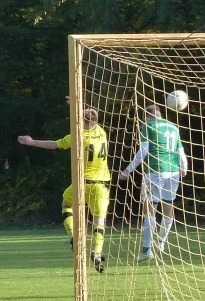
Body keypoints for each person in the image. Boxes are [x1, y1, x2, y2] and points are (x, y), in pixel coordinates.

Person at [18, 99, 109, 273]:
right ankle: (97, 252)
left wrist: (32, 142)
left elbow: (54, 144)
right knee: (99, 220)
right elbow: (89, 118)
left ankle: (74, 236)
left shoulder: (78, 137)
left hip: (83, 183)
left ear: (82, 122)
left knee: (66, 205)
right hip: (102, 184)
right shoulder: (102, 132)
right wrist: (78, 107)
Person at [119, 105, 188, 263]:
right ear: (160, 114)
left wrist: (128, 170)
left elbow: (143, 151)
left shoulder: (148, 125)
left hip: (155, 171)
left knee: (149, 211)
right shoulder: (173, 127)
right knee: (168, 208)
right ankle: (161, 242)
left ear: (147, 116)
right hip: (173, 172)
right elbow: (180, 151)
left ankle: (146, 250)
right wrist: (184, 167)